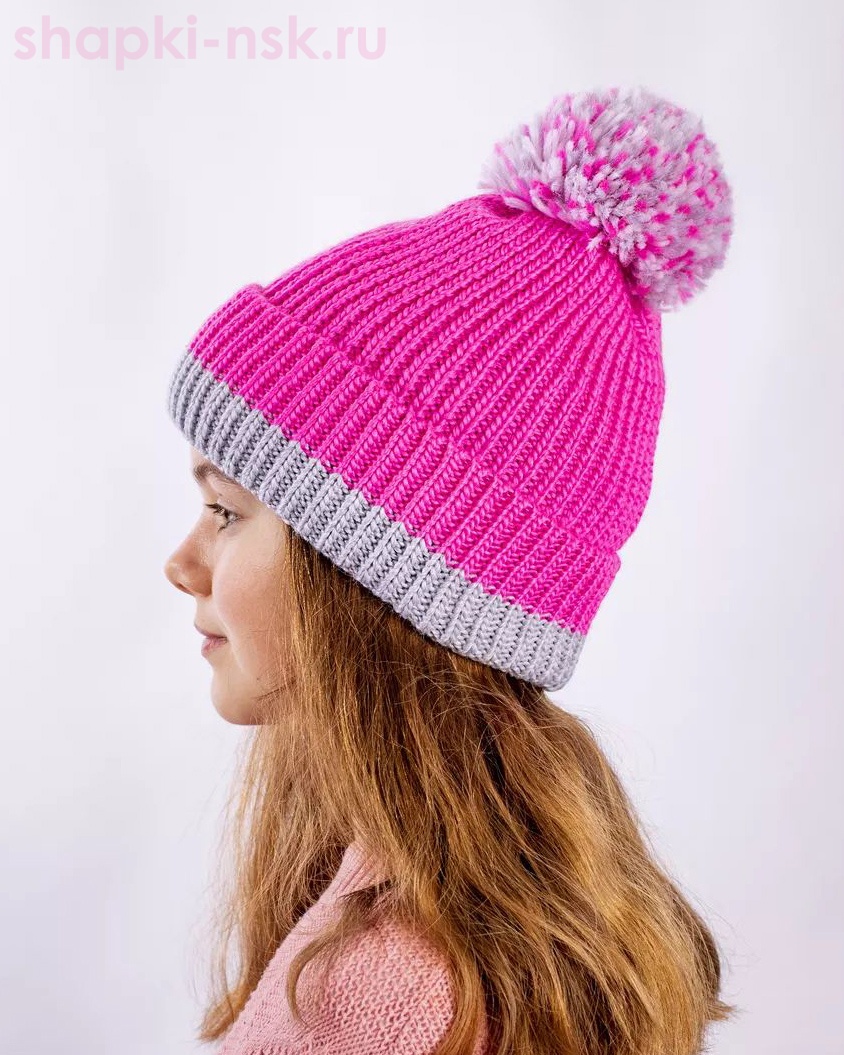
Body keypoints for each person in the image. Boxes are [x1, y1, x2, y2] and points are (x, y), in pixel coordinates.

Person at [164, 84, 738, 1055]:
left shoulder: (387, 987)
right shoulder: (458, 921)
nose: (182, 562)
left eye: (227, 511)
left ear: (374, 572)